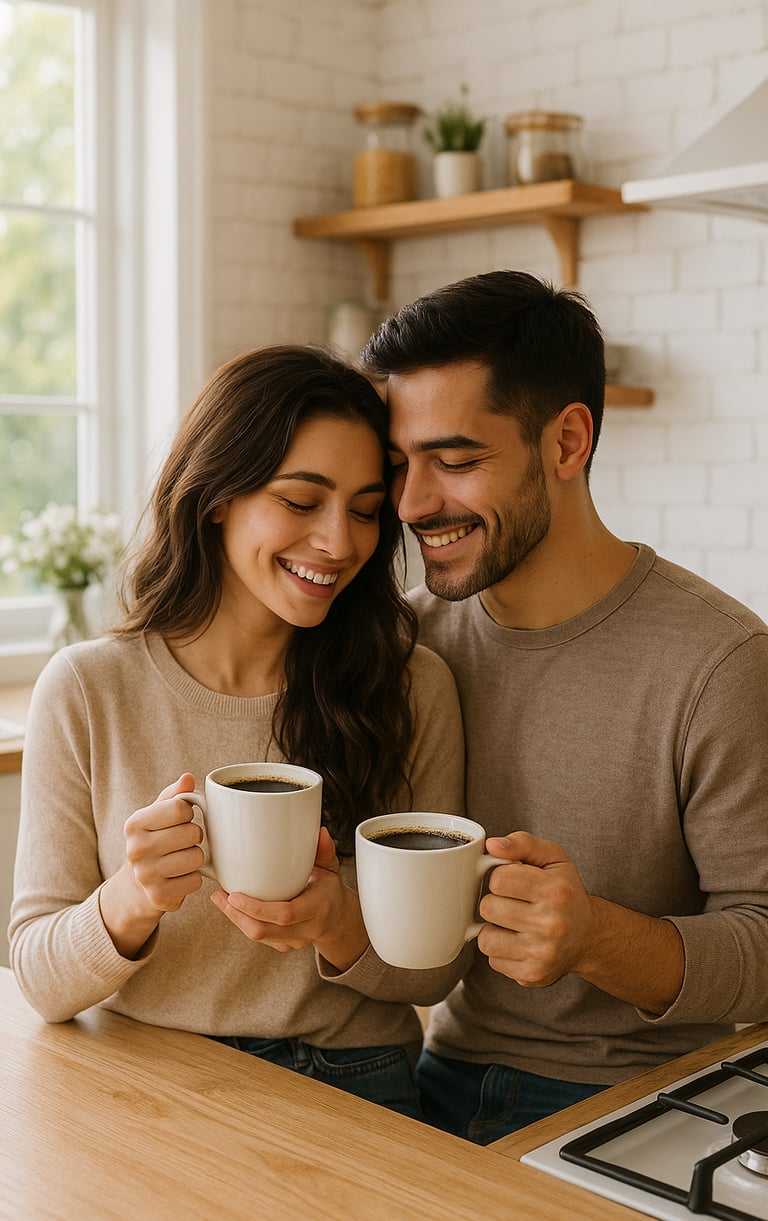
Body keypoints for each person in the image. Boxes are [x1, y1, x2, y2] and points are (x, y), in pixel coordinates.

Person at [361, 270, 768, 1142]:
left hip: (649, 1105)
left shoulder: (720, 661)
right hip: (439, 1076)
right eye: (402, 465)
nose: (412, 504)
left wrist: (594, 938)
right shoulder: (410, 644)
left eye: (457, 460)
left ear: (568, 441)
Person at [9, 344, 466, 1120]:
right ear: (217, 496)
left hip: (353, 1079)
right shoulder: (88, 687)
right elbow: (40, 980)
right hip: (145, 1077)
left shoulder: (412, 687)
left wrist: (337, 922)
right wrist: (133, 895)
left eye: (363, 509)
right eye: (300, 500)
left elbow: (431, 972)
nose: (339, 542)